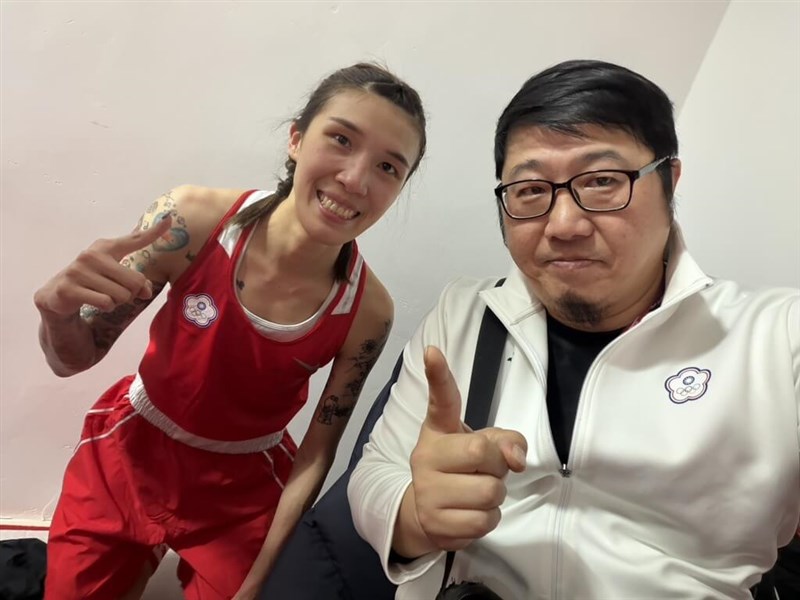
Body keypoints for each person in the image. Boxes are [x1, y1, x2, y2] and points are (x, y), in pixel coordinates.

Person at [348, 59, 800, 599]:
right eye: (530, 190)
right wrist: (416, 516)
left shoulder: (775, 338)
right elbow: (375, 473)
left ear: (669, 181)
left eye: (603, 181)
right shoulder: (464, 313)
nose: (564, 225)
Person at [33, 62, 426, 600]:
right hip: (130, 452)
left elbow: (317, 454)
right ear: (296, 138)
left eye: (387, 167)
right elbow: (73, 359)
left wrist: (260, 580)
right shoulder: (188, 222)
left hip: (244, 488)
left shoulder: (367, 312)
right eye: (341, 139)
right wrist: (56, 314)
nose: (356, 180)